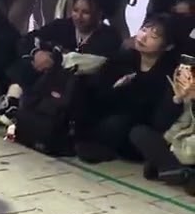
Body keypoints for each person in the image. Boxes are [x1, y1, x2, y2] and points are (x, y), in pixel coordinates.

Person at [0, 0, 120, 125]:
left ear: (99, 13)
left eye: (85, 12)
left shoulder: (109, 37)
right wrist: (36, 53)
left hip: (78, 87)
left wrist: (55, 60)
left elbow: (90, 64)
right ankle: (11, 103)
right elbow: (28, 39)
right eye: (75, 10)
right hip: (48, 74)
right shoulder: (63, 25)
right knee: (27, 63)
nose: (78, 17)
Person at [76, 14, 179, 164]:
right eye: (144, 30)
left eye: (153, 37)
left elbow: (159, 119)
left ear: (168, 46)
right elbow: (100, 90)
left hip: (138, 129)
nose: (143, 37)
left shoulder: (169, 72)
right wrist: (116, 88)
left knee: (121, 123)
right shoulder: (126, 58)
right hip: (111, 114)